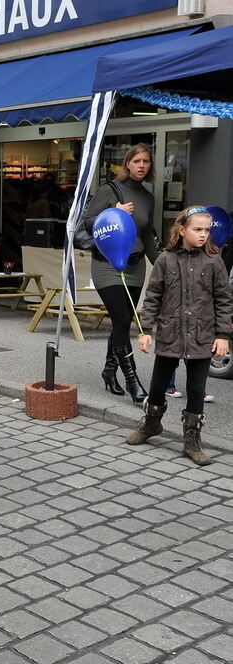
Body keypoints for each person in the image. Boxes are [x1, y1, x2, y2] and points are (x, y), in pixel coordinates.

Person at [126, 206, 232, 466]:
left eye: (207, 230)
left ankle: (192, 440)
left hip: (201, 336)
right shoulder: (165, 259)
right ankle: (151, 424)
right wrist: (145, 330)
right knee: (158, 386)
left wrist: (222, 335)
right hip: (171, 335)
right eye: (197, 229)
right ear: (182, 229)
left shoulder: (214, 260)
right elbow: (153, 297)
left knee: (197, 389)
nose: (203, 234)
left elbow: (224, 299)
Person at [80, 143, 160, 403]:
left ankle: (109, 369)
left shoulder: (148, 197)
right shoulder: (109, 189)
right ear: (127, 163)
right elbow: (89, 222)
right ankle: (132, 379)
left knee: (120, 323)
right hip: (106, 264)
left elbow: (146, 235)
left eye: (146, 161)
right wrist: (112, 211)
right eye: (136, 161)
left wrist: (161, 266)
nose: (141, 165)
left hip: (136, 266)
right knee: (123, 319)